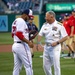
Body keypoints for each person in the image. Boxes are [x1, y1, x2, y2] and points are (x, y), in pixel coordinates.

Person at [37, 11, 68, 75]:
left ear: (52, 16)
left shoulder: (59, 25)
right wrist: (38, 43)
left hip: (55, 47)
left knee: (56, 65)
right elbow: (40, 34)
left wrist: (57, 42)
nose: (45, 18)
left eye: (46, 16)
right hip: (46, 47)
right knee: (45, 66)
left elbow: (65, 37)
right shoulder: (45, 24)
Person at [11, 9, 34, 75]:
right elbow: (19, 34)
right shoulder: (21, 21)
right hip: (21, 45)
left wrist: (28, 36)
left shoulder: (16, 20)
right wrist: (28, 42)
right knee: (29, 66)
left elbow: (12, 34)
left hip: (15, 45)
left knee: (17, 67)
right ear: (25, 14)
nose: (29, 18)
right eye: (29, 16)